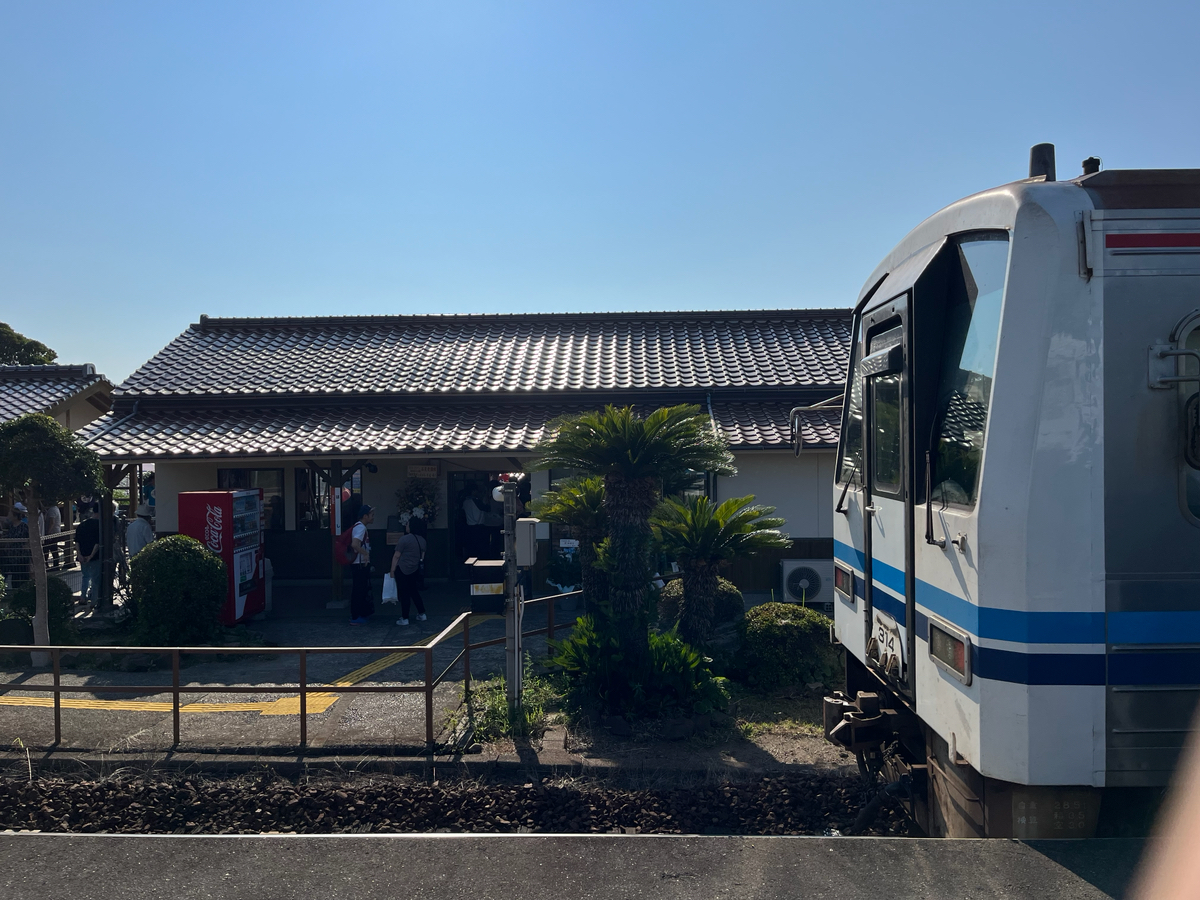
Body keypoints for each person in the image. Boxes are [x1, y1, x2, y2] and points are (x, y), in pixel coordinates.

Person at [391, 516, 428, 626]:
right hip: (415, 569)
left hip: (402, 568)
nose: (406, 526)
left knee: (404, 593)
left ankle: (405, 617)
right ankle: (422, 613)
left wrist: (392, 570)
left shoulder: (404, 539)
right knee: (414, 591)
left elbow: (396, 555)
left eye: (407, 524)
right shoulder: (422, 540)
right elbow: (422, 557)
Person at [348, 504, 375, 625]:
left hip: (358, 563)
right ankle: (356, 616)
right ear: (365, 516)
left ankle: (359, 613)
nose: (373, 517)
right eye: (371, 515)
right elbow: (355, 544)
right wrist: (365, 554)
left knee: (361, 589)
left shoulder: (359, 527)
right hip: (359, 563)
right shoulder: (361, 528)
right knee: (359, 589)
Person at [76, 504, 102, 608]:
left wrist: (79, 554)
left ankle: (83, 597)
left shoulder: (82, 525)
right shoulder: (99, 525)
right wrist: (91, 556)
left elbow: (77, 541)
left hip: (82, 555)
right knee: (95, 579)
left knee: (85, 576)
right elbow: (97, 543)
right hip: (95, 556)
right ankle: (93, 601)